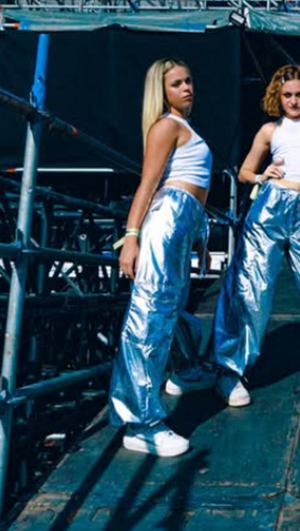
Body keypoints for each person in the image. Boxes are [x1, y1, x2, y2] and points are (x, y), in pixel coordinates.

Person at [212, 63, 300, 406]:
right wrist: (262, 176)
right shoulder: (269, 130)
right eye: (287, 95)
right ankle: (231, 372)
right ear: (278, 95)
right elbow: (244, 171)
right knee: (252, 288)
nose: (293, 101)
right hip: (271, 208)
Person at [108, 58, 212, 457]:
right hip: (164, 222)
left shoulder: (185, 127)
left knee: (170, 308)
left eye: (189, 81)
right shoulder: (166, 126)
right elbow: (148, 184)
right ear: (162, 91)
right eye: (177, 84)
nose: (187, 88)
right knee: (149, 316)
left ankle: (186, 369)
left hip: (182, 225)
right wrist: (131, 236)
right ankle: (142, 422)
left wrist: (197, 237)